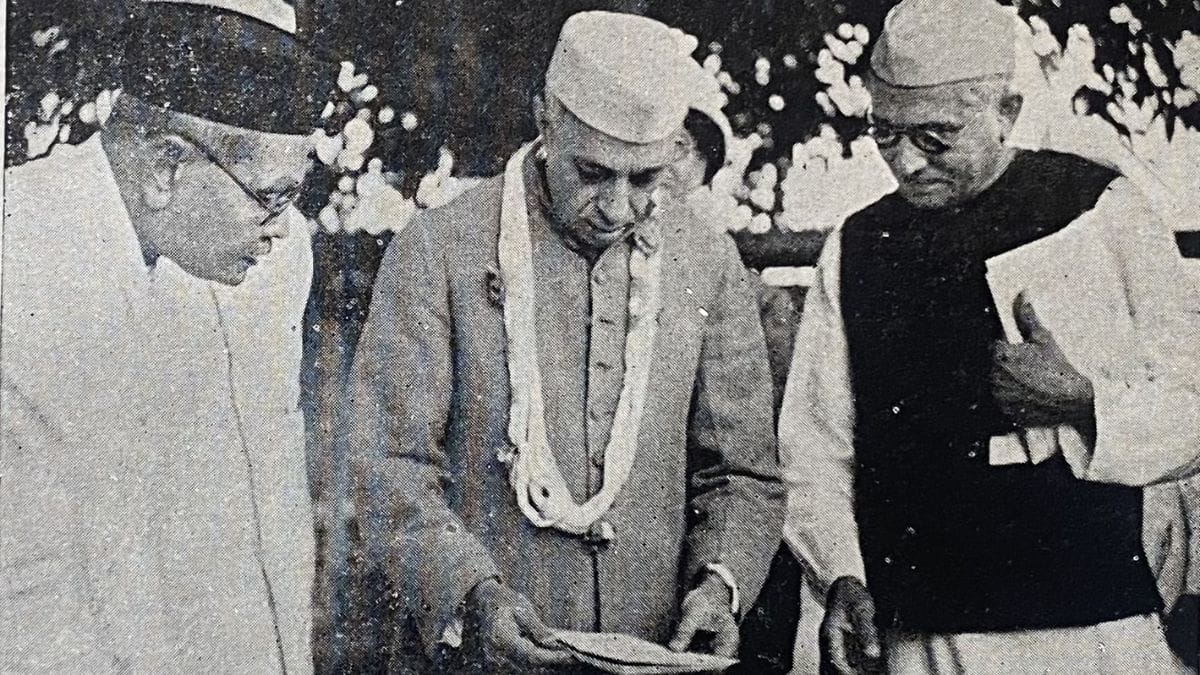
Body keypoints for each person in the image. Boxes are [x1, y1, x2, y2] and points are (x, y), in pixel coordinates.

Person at [348, 11, 783, 673]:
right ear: (544, 121)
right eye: (593, 173)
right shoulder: (439, 250)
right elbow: (388, 467)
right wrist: (473, 595)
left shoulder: (706, 260)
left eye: (646, 181)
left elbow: (743, 474)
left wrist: (721, 584)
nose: (615, 207)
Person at [778, 0, 1198, 672]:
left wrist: (1085, 401)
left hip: (1094, 627)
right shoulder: (859, 245)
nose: (908, 163)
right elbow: (815, 445)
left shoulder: (1100, 211)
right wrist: (841, 575)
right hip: (923, 634)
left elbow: (1192, 403)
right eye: (886, 134)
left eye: (935, 137)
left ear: (1006, 111)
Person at [0, 1, 331, 671]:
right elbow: (35, 588)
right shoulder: (22, 252)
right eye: (269, 197)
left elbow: (272, 499)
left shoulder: (273, 256)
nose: (281, 227)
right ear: (165, 169)